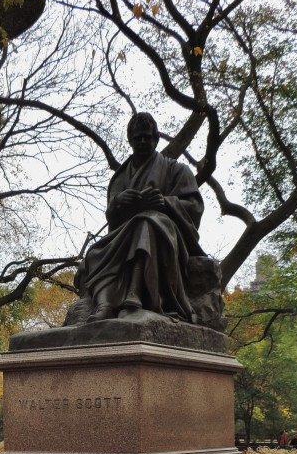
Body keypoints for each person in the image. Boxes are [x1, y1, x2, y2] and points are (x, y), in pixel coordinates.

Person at [74, 112, 207, 323]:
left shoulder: (177, 170)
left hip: (165, 235)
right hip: (123, 235)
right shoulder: (120, 176)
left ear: (156, 138)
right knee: (94, 254)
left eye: (147, 136)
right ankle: (105, 304)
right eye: (138, 138)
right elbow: (112, 219)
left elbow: (194, 207)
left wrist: (166, 203)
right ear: (130, 140)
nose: (143, 141)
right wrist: (119, 203)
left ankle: (134, 293)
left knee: (147, 222)